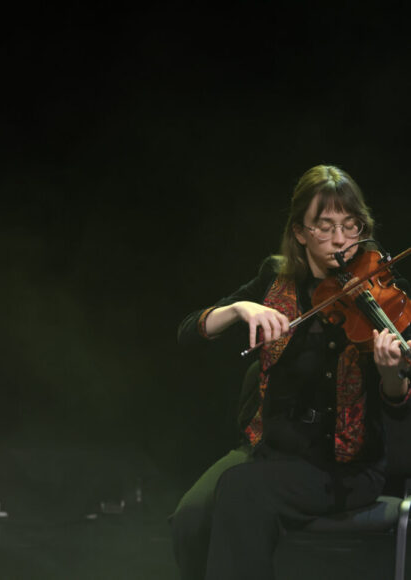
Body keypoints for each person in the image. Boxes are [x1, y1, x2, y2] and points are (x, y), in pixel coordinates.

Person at [170, 165, 411, 579]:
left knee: (243, 492)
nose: (341, 240)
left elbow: (398, 405)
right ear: (300, 231)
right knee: (190, 519)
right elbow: (189, 332)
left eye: (351, 226)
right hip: (268, 449)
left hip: (343, 468)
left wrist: (392, 373)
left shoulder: (382, 290)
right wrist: (240, 309)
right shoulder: (275, 278)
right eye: (325, 226)